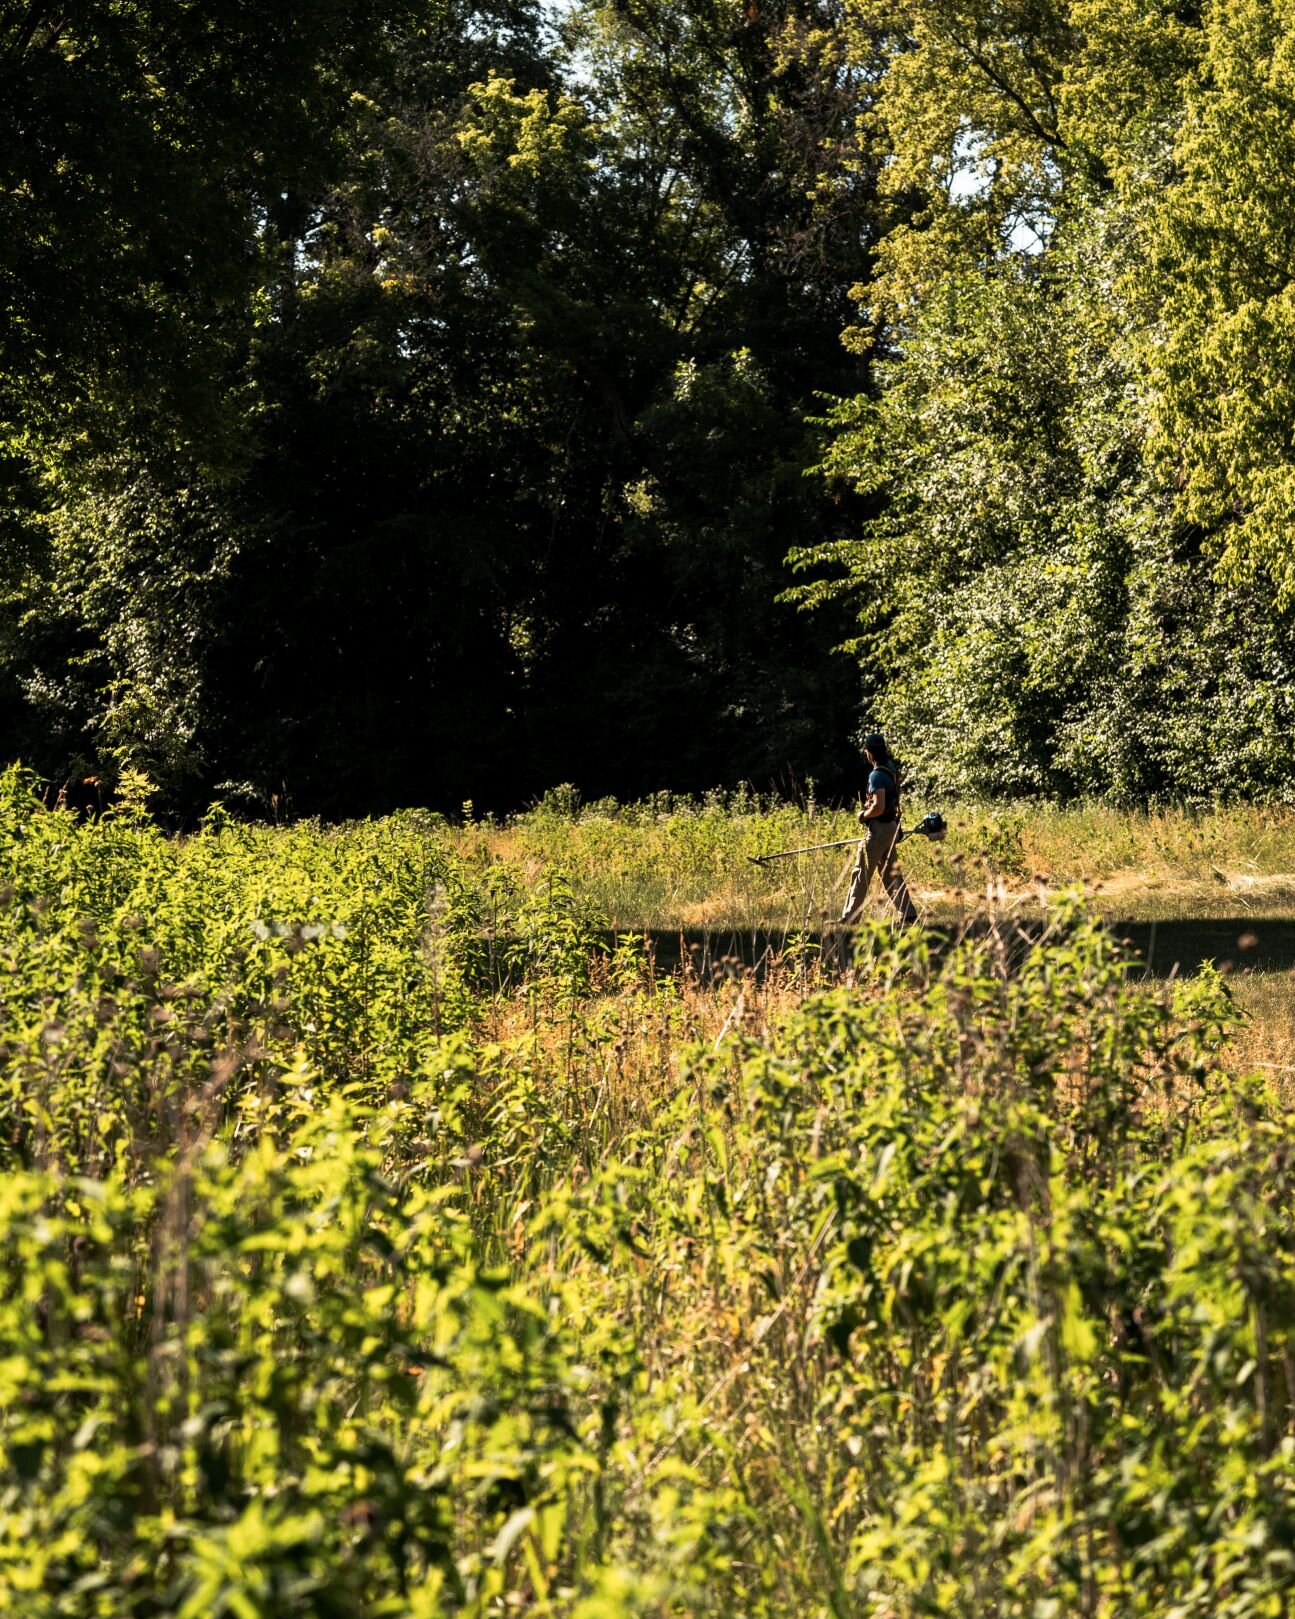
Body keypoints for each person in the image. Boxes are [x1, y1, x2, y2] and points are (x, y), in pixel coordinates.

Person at [840, 733, 918, 925]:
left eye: (866, 751)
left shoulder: (876, 775)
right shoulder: (891, 769)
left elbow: (879, 806)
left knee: (861, 872)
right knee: (891, 873)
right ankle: (908, 915)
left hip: (879, 830)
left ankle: (850, 918)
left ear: (870, 752)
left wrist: (862, 815)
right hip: (892, 827)